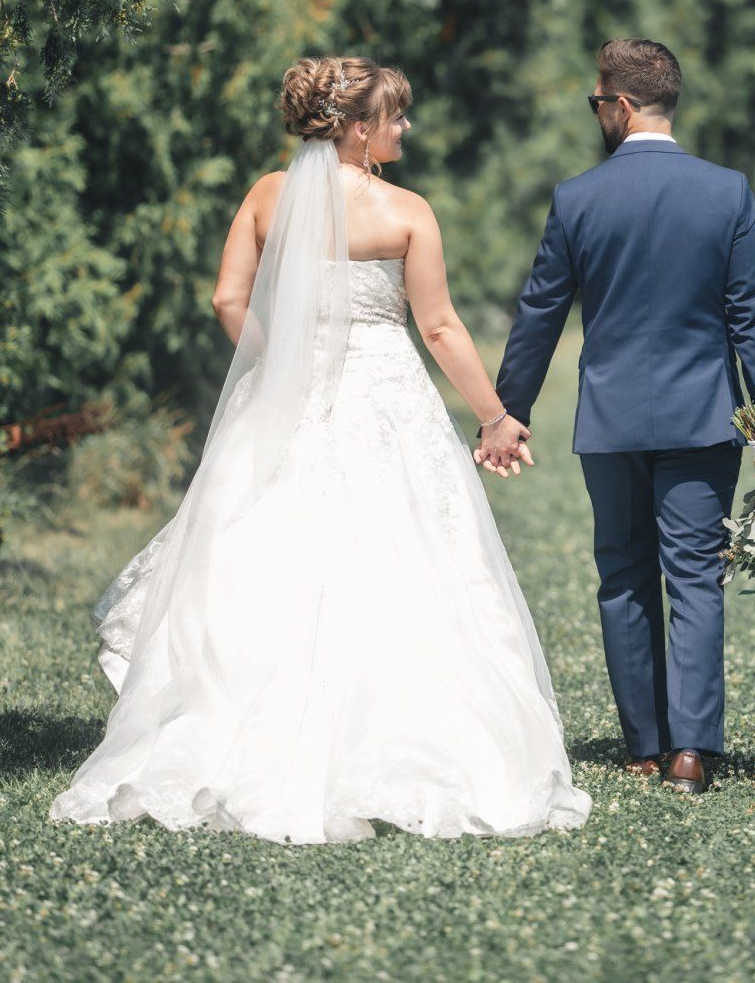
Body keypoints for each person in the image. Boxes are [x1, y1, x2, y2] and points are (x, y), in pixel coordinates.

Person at [50, 56, 591, 845]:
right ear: (359, 128)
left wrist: (276, 364)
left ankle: (235, 727)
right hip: (385, 401)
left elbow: (226, 297)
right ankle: (400, 741)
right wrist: (496, 416)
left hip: (284, 398)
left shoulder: (268, 196)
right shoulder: (405, 210)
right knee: (402, 554)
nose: (405, 128)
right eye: (396, 116)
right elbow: (438, 328)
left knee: (271, 551)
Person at [479, 38, 755, 796]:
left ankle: (645, 744)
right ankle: (691, 753)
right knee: (693, 577)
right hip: (704, 421)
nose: (596, 112)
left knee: (623, 576)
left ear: (620, 105)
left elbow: (539, 315)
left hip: (611, 422)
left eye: (596, 101)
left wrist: (507, 410)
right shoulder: (727, 192)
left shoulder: (579, 198)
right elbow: (751, 315)